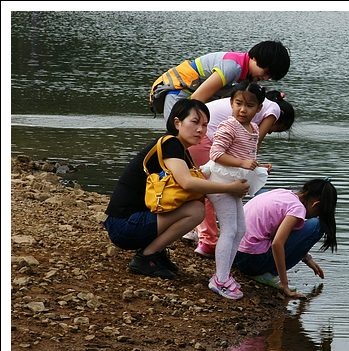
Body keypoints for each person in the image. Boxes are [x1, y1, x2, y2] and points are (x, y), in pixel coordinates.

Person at [103, 99, 249, 279]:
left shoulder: (179, 148)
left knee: (192, 202)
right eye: (195, 122)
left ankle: (156, 252)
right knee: (196, 210)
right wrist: (229, 188)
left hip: (126, 222)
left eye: (204, 125)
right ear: (177, 123)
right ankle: (146, 257)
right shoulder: (170, 144)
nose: (200, 130)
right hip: (123, 226)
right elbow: (187, 182)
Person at [187, 89, 295, 258]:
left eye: (249, 106)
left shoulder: (250, 122)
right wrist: (247, 164)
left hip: (201, 131)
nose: (271, 131)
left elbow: (245, 151)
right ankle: (208, 241)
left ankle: (197, 232)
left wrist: (257, 167)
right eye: (276, 129)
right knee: (210, 189)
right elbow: (252, 148)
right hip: (205, 135)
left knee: (234, 223)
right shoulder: (272, 110)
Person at [200, 82, 271, 300]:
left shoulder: (254, 128)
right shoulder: (228, 126)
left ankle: (224, 275)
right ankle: (220, 279)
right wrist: (241, 162)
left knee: (240, 229)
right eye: (238, 103)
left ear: (259, 108)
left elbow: (246, 155)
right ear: (231, 103)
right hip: (221, 181)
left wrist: (257, 165)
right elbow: (215, 153)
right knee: (230, 229)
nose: (243, 109)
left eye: (249, 105)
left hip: (234, 181)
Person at [233, 178, 338, 299]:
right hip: (251, 261)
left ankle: (255, 269)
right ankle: (263, 273)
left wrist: (306, 258)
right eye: (318, 213)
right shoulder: (298, 208)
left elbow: (277, 230)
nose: (312, 216)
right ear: (316, 204)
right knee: (317, 225)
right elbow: (277, 244)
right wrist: (285, 285)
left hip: (234, 254)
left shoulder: (283, 193)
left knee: (263, 193)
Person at [149, 41, 290, 125]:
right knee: (178, 133)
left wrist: (272, 98)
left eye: (270, 76)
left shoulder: (245, 71)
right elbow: (197, 98)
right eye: (265, 72)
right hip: (179, 93)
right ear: (254, 58)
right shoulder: (232, 68)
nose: (265, 78)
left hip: (190, 94)